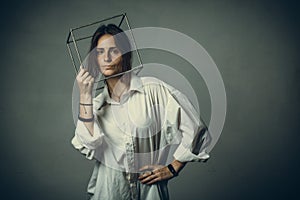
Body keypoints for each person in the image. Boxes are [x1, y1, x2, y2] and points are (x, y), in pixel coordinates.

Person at [71, 24, 211, 200]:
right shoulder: (96, 106)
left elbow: (195, 128)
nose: (106, 58)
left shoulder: (153, 89)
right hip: (109, 193)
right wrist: (85, 95)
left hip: (149, 193)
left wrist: (173, 167)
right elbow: (89, 145)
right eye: (100, 52)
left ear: (125, 55)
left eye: (113, 51)